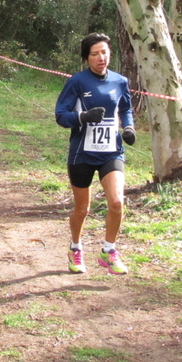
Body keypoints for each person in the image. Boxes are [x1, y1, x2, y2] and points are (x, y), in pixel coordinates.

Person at [55, 33, 136, 275]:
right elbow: (61, 115)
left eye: (104, 52)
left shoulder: (120, 81)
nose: (101, 58)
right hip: (82, 153)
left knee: (116, 201)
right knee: (82, 209)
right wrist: (83, 117)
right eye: (94, 54)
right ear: (86, 57)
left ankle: (108, 252)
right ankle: (75, 248)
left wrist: (129, 128)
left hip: (111, 151)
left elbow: (126, 108)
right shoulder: (77, 82)